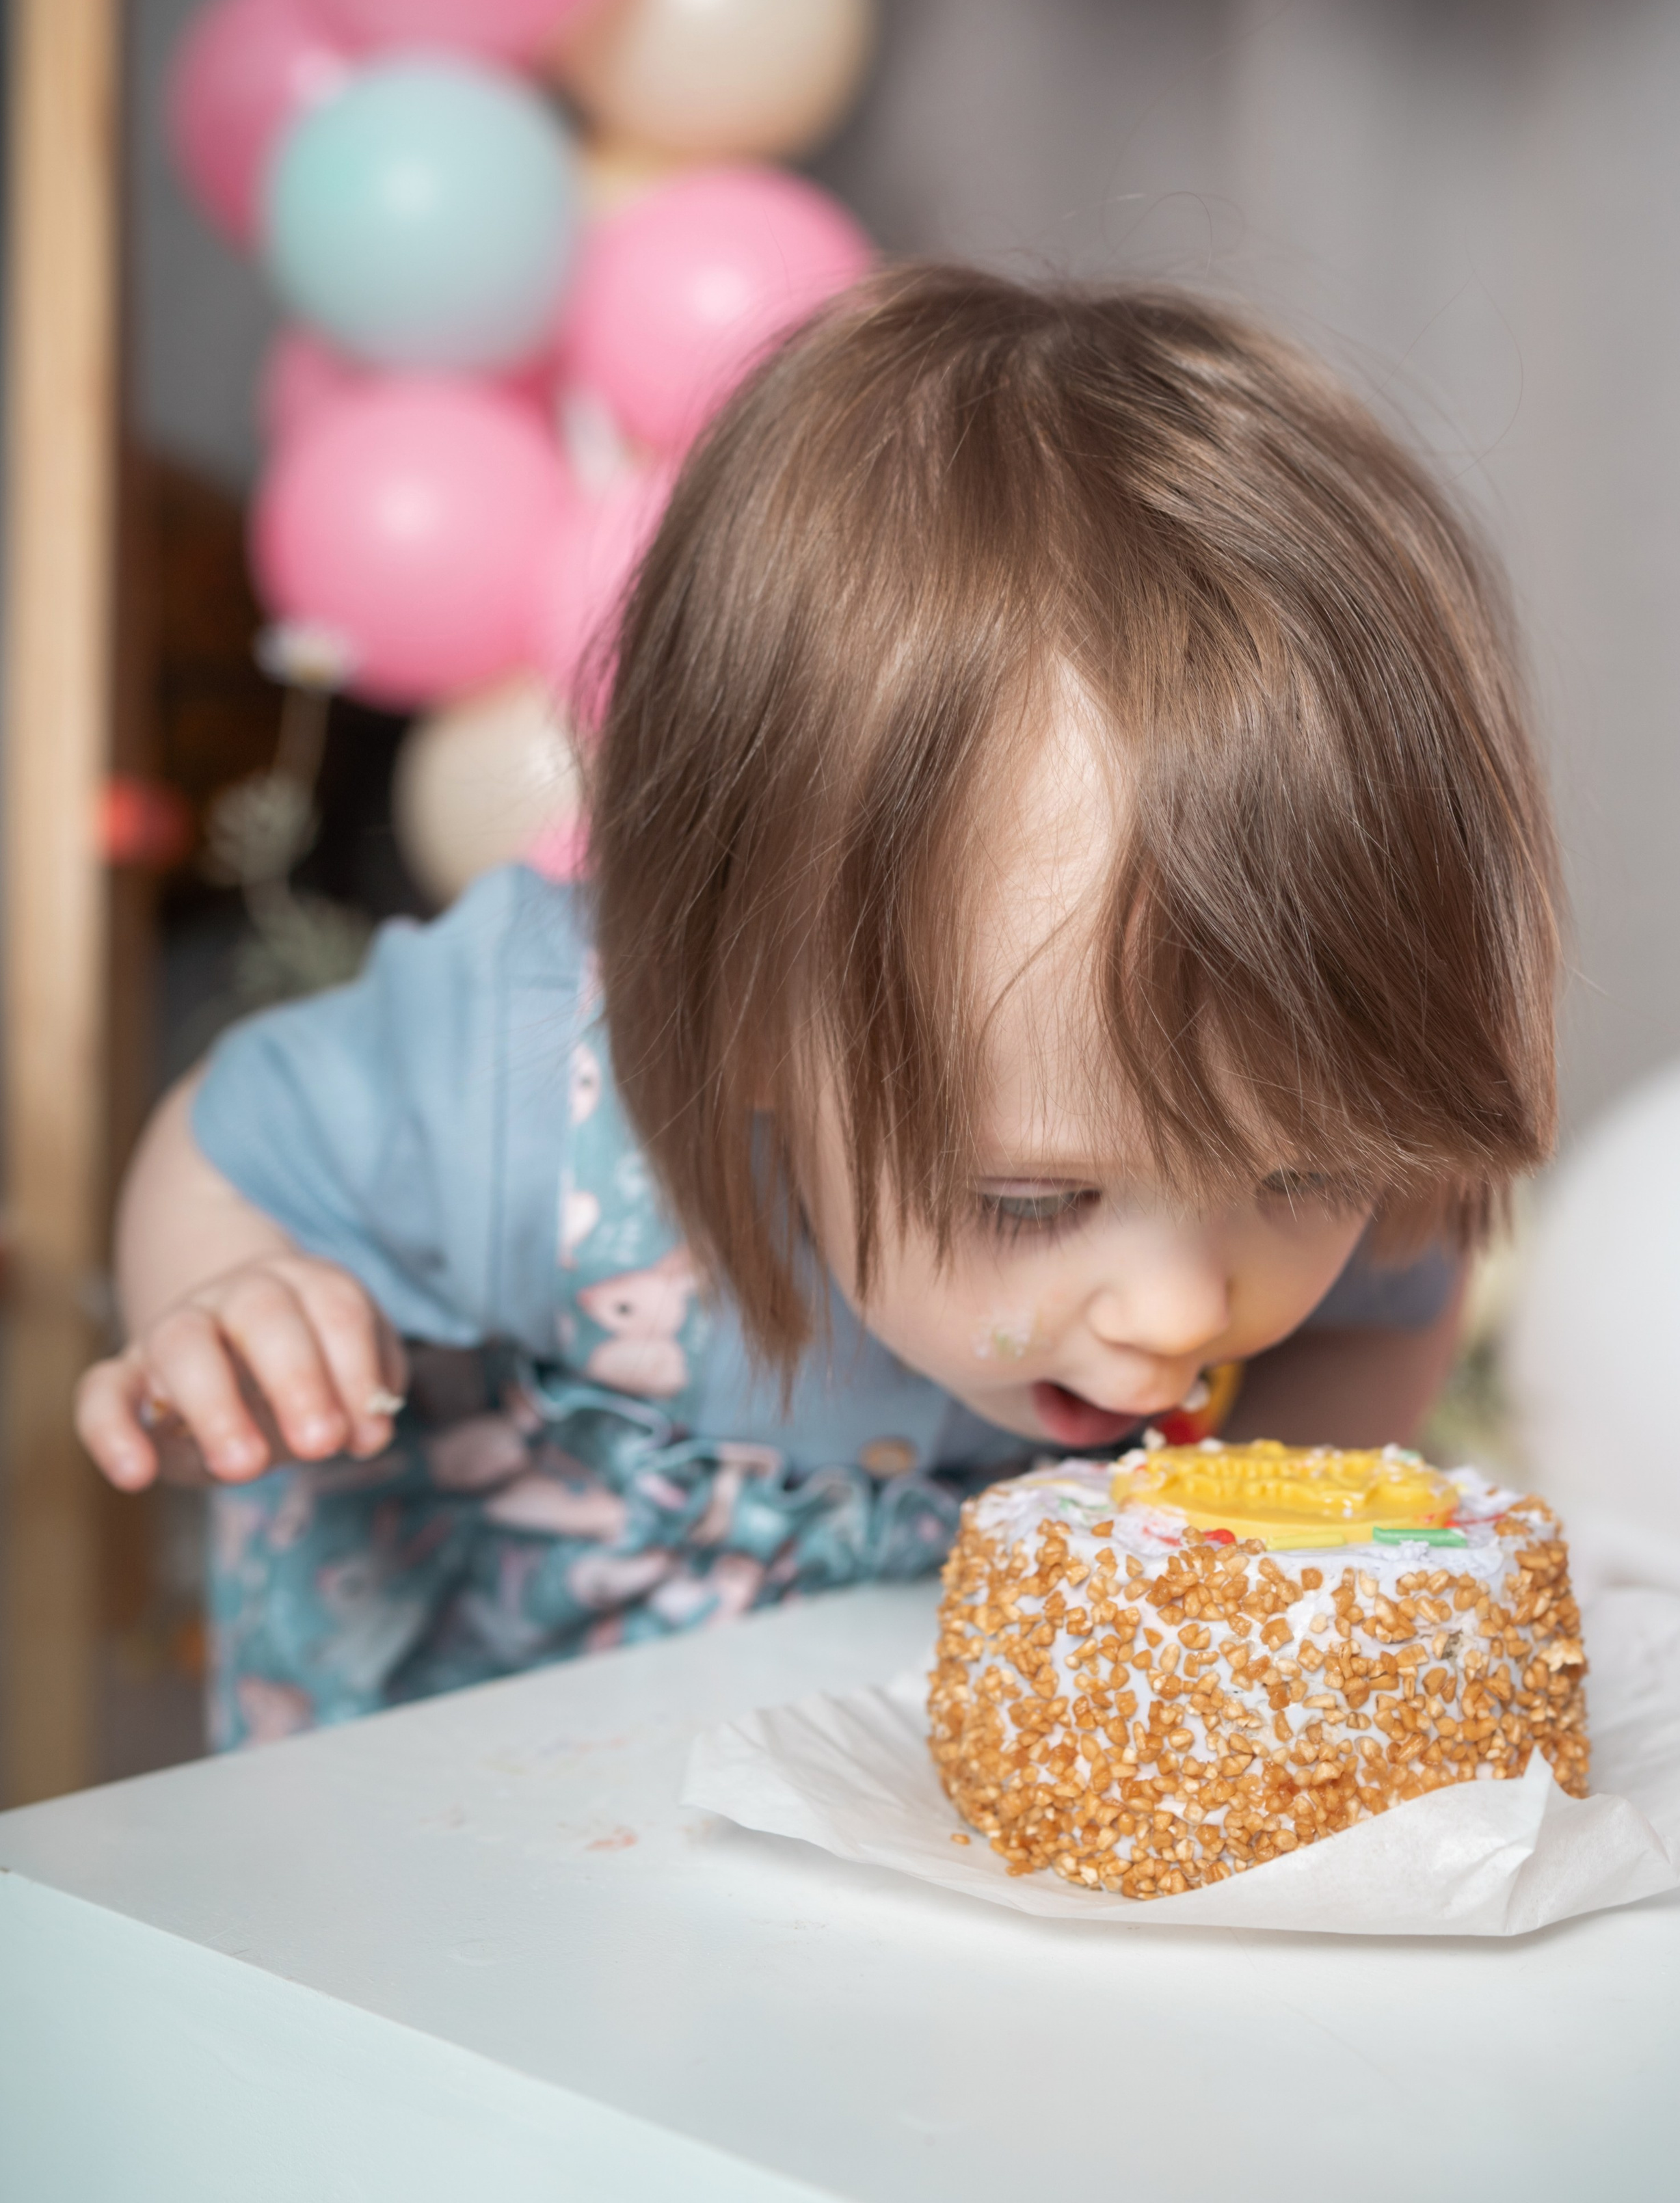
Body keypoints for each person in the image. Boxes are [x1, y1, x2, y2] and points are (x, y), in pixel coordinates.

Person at [75, 267, 1559, 1747]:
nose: (1183, 1310)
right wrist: (226, 1302)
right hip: (474, 1794)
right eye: (1035, 1199)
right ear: (742, 1011)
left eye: (1297, 1176)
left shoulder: (1320, 1125)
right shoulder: (528, 1078)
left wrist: (1247, 1538)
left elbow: (1384, 1307)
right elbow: (233, 1144)